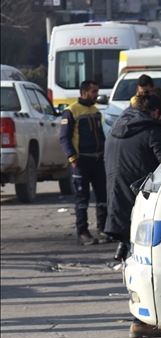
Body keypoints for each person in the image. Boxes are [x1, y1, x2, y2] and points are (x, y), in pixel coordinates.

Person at [104, 89, 161, 338]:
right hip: (143, 205)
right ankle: (141, 320)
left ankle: (141, 318)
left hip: (118, 204)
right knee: (149, 263)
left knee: (136, 262)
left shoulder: (115, 129)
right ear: (155, 112)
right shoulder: (152, 131)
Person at [59, 80, 109, 246]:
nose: (97, 95)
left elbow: (101, 136)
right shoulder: (71, 111)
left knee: (102, 197)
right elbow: (64, 137)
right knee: (83, 199)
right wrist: (72, 157)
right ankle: (83, 232)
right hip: (82, 161)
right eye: (94, 91)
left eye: (97, 91)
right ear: (84, 92)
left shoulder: (95, 111)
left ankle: (103, 229)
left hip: (97, 160)